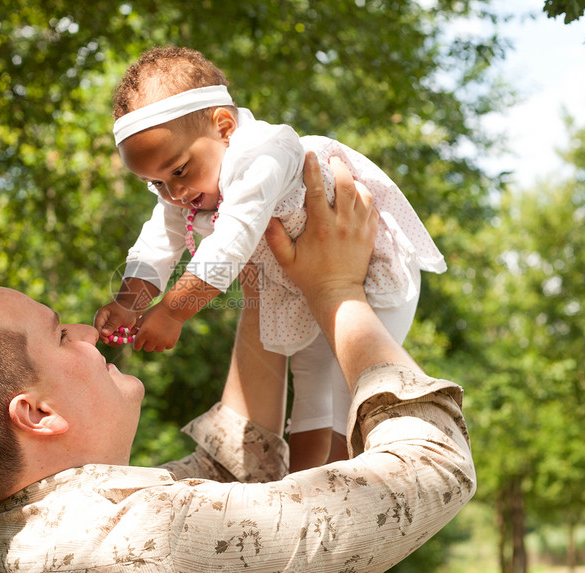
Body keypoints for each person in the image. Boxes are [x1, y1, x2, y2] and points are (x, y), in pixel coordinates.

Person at [0, 154, 475, 572]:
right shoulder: (143, 542)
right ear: (36, 413)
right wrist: (338, 291)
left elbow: (236, 471)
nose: (87, 331)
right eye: (60, 336)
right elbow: (431, 472)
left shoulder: (9, 535)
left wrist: (262, 271)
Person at [94, 46, 447, 470]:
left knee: (343, 386)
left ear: (224, 126)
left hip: (367, 272)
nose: (173, 193)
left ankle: (349, 479)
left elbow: (232, 240)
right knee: (311, 378)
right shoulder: (185, 189)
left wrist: (173, 310)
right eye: (155, 184)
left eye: (179, 171)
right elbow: (158, 240)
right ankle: (303, 484)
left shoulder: (263, 152)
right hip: (298, 287)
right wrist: (129, 301)